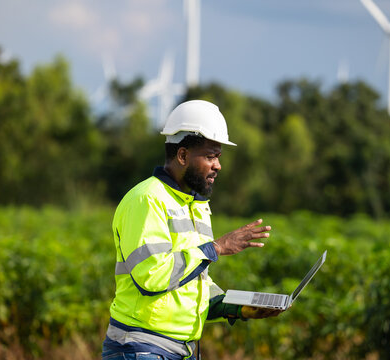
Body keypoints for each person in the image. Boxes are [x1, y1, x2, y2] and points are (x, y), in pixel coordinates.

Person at [102, 100, 282, 360]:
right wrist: (216, 247)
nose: (218, 165)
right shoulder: (147, 199)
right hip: (140, 348)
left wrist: (237, 307)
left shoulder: (196, 206)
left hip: (179, 350)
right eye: (210, 156)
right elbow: (152, 276)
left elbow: (187, 284)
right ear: (183, 155)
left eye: (218, 157)